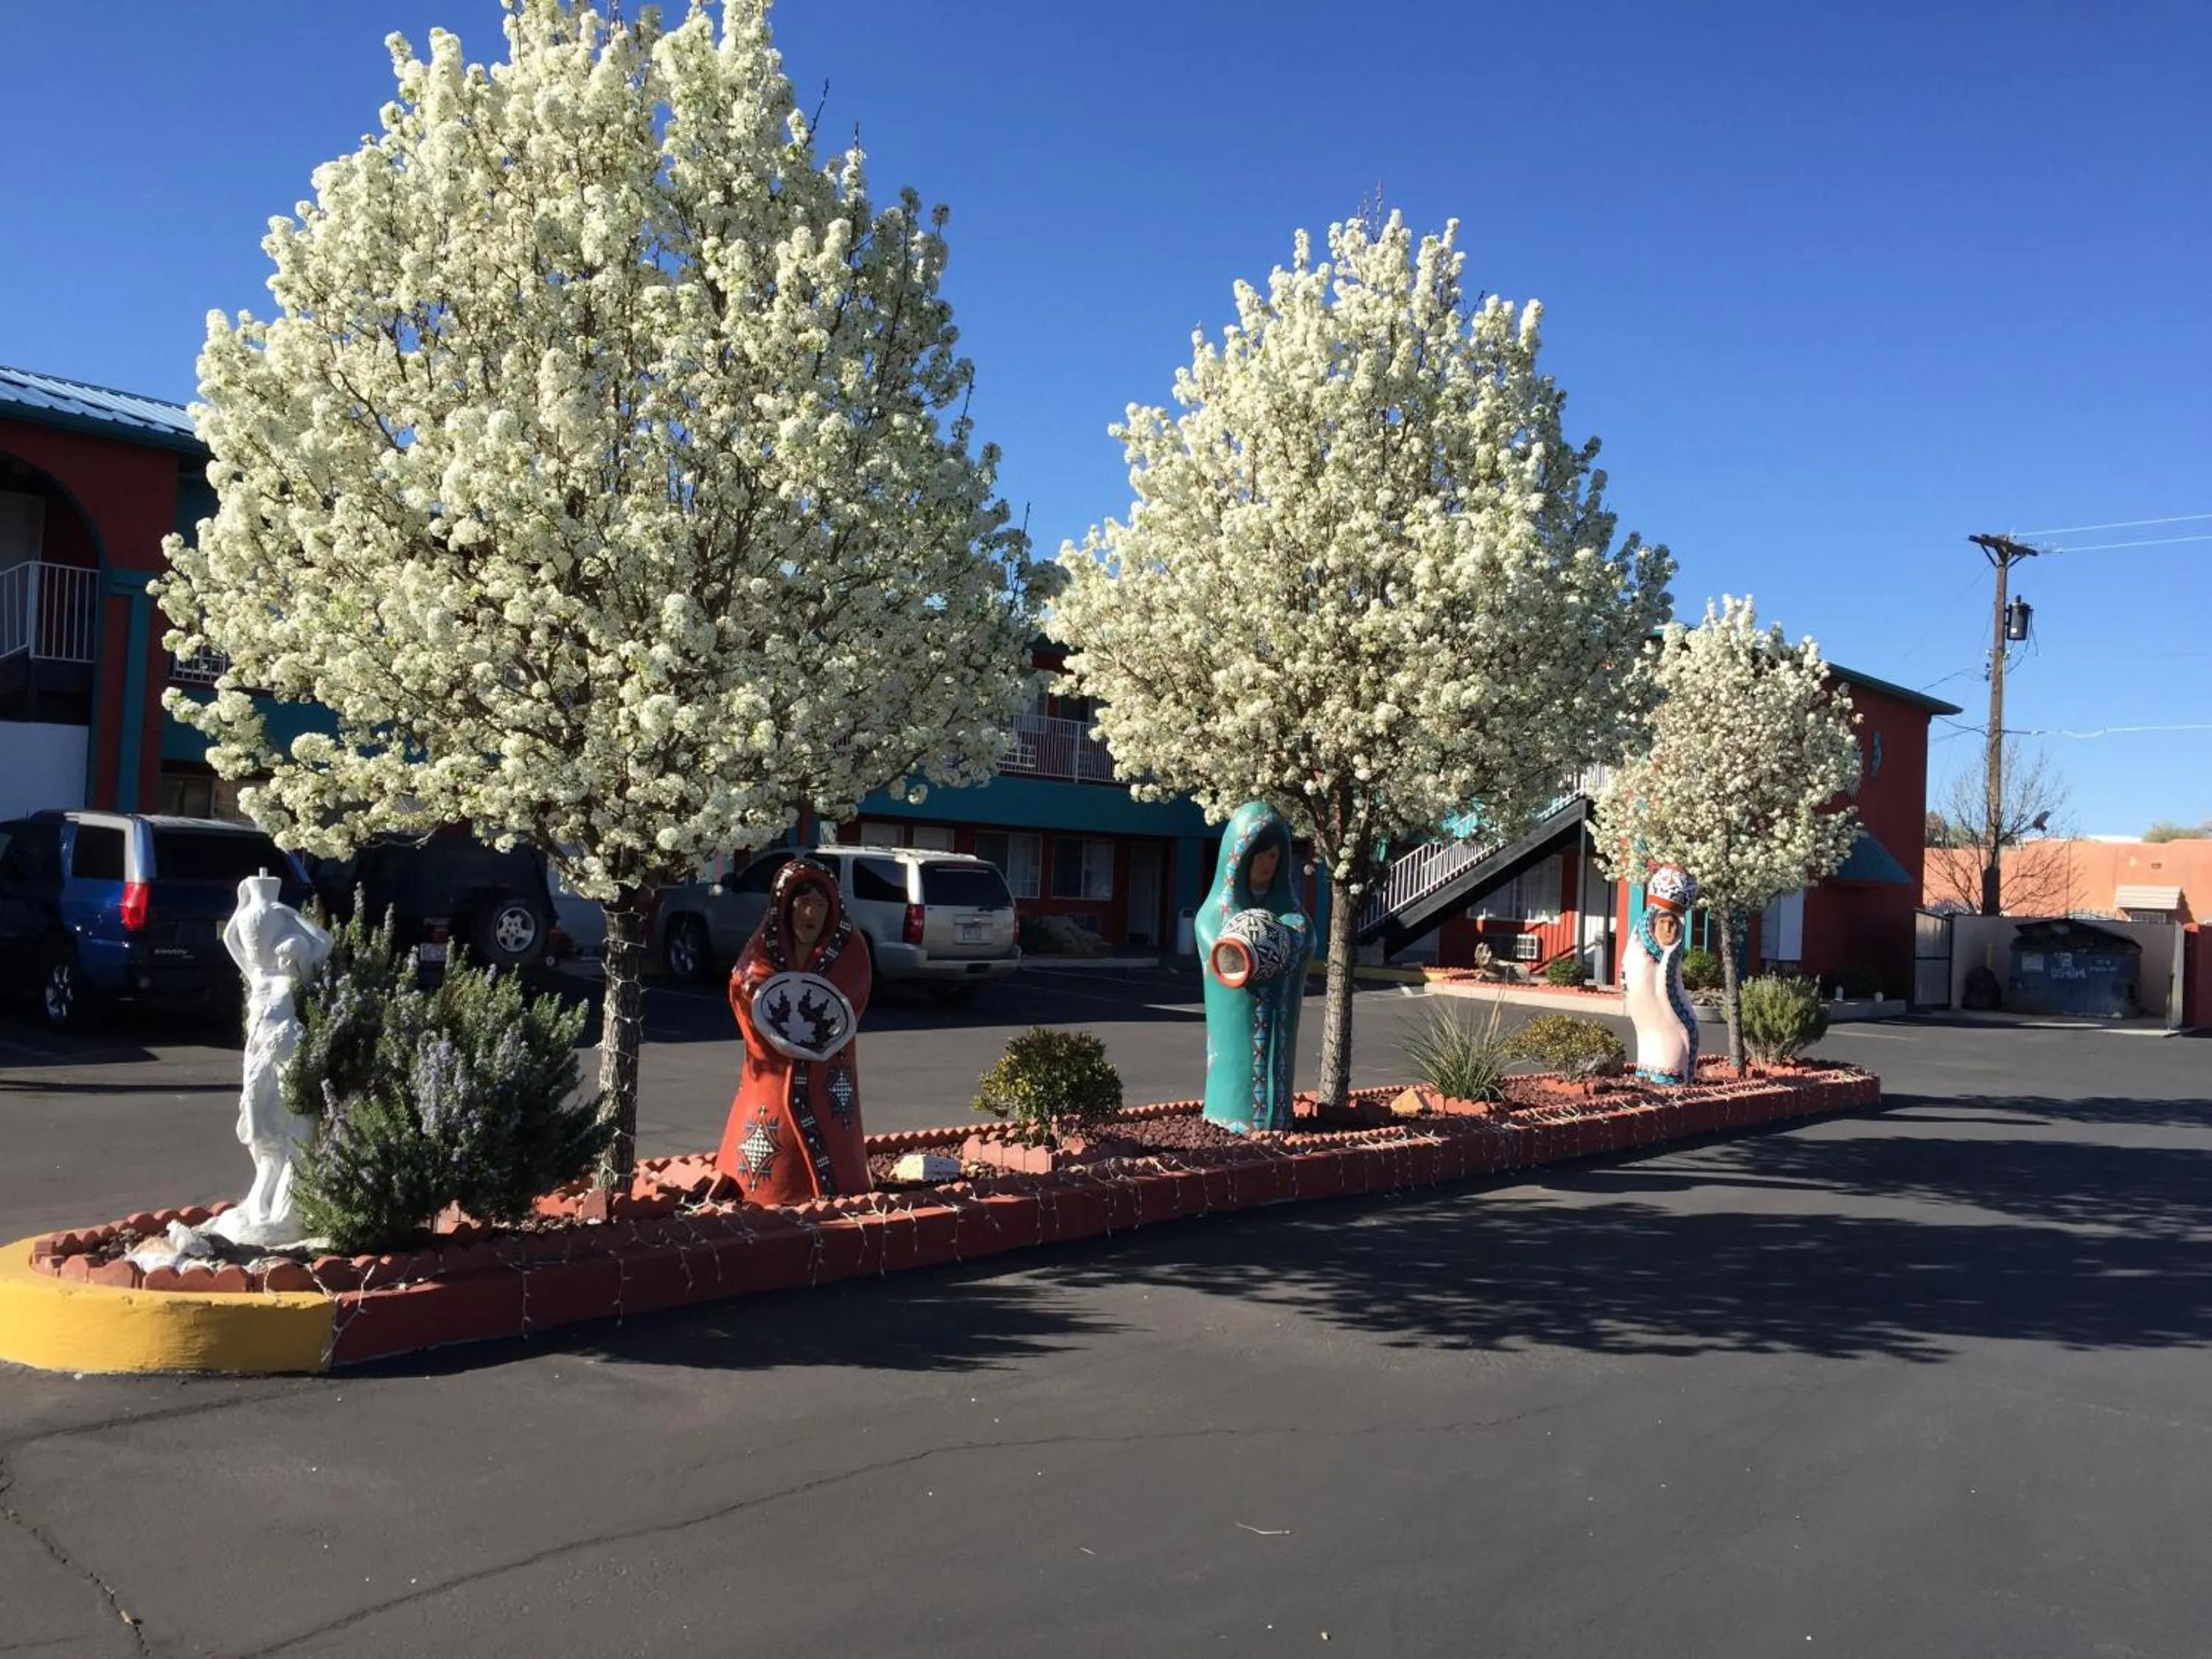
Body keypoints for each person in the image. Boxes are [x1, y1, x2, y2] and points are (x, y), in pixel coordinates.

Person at [714, 858, 874, 1204]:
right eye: (803, 903)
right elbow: (745, 982)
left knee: (834, 1130)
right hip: (771, 1073)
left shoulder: (849, 948)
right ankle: (762, 1188)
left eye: (819, 904)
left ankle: (842, 1183)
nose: (810, 913)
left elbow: (854, 989)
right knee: (767, 1123)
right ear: (786, 907)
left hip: (828, 1075)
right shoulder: (763, 948)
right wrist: (765, 1018)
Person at [210, 872, 333, 1245]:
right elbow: (233, 939)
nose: (273, 953)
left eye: (284, 950)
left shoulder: (294, 983)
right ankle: (259, 1205)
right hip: (257, 1057)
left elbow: (324, 942)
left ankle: (284, 1212)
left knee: (289, 1129)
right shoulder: (259, 978)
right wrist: (243, 899)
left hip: (285, 1058)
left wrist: (291, 918)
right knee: (258, 1130)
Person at [1194, 801, 1312, 1133]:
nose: (1266, 864)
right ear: (1240, 858)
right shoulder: (1215, 914)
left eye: (1274, 856)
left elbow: (1303, 935)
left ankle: (1278, 1118)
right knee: (1235, 1065)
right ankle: (1229, 1118)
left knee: (1278, 1065)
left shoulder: (1290, 910)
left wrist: (1287, 938)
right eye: (1259, 855)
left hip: (1280, 1018)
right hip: (1239, 1020)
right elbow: (1218, 944)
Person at [1624, 863, 1699, 1085]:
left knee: (1670, 1038)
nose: (1668, 929)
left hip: (1666, 1020)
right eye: (1664, 923)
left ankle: (1669, 1074)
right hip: (1648, 1014)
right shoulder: (1641, 941)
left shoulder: (1663, 949)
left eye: (1672, 924)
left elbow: (1667, 990)